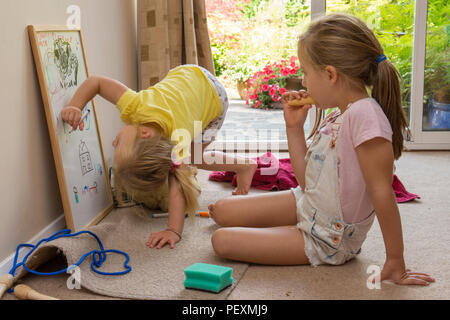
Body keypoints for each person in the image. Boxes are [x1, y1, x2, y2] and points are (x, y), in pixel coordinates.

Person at [207, 14, 434, 286]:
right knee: (221, 210)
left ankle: (289, 236)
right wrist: (294, 129)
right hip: (309, 204)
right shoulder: (339, 114)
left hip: (327, 237)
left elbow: (383, 193)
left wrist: (395, 260)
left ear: (330, 75)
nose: (303, 82)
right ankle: (282, 233)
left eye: (305, 72)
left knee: (222, 240)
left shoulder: (365, 117)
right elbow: (308, 183)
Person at [61, 64, 258, 249]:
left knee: (196, 159)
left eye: (117, 144)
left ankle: (244, 166)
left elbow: (96, 81)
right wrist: (75, 106)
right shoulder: (152, 121)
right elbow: (96, 82)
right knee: (192, 159)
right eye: (118, 144)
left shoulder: (138, 106)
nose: (113, 142)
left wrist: (173, 230)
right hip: (188, 84)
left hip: (214, 97)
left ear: (145, 133)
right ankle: (244, 165)